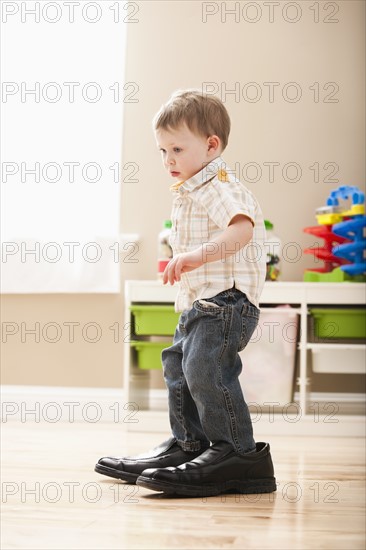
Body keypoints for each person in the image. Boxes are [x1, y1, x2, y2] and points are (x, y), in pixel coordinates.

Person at [95, 89, 276, 497]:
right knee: (179, 366)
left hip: (226, 300)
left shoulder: (219, 184)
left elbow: (243, 229)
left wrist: (197, 256)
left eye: (177, 148)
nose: (168, 160)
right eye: (162, 150)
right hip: (201, 302)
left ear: (211, 145)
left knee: (206, 371)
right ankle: (189, 446)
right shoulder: (193, 188)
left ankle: (238, 454)